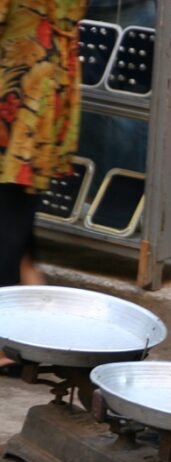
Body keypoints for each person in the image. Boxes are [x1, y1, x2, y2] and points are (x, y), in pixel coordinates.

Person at [0, 0, 86, 373]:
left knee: (7, 212)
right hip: (48, 88)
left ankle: (7, 344)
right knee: (18, 206)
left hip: (15, 90)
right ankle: (35, 328)